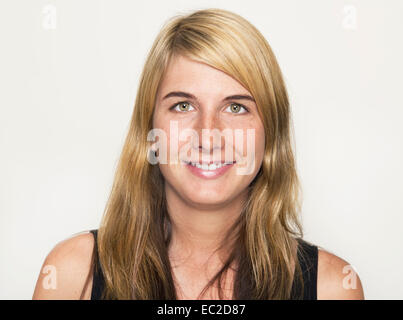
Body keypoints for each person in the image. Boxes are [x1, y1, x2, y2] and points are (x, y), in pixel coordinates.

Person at [33, 8, 364, 300]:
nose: (208, 135)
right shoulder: (73, 276)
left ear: (270, 135)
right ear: (149, 133)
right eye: (183, 105)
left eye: (236, 107)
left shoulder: (332, 288)